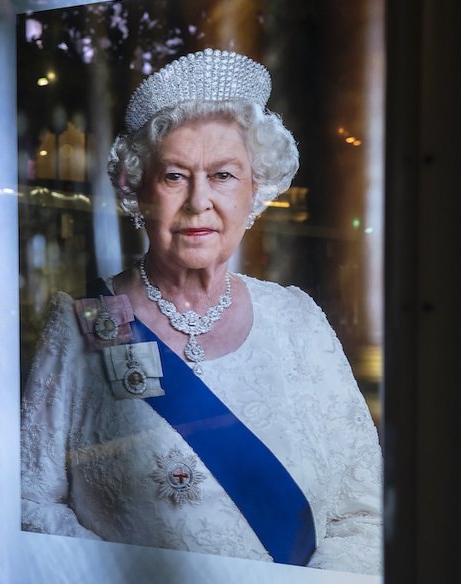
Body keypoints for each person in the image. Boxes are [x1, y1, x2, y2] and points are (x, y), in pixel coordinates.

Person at [20, 49, 382, 575]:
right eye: (174, 176)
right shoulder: (86, 326)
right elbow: (30, 504)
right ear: (138, 189)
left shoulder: (299, 322)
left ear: (255, 190)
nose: (198, 202)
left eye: (224, 175)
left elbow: (364, 511)